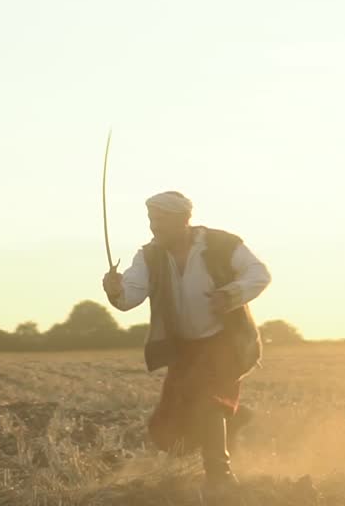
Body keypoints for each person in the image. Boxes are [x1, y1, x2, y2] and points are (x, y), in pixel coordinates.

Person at [102, 191, 272, 497]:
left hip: (225, 342)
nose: (154, 226)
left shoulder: (222, 244)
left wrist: (231, 294)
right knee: (168, 432)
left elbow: (259, 274)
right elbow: (130, 296)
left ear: (184, 220)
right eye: (151, 219)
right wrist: (115, 291)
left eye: (161, 220)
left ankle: (220, 476)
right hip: (184, 350)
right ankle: (232, 419)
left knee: (209, 402)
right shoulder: (149, 256)